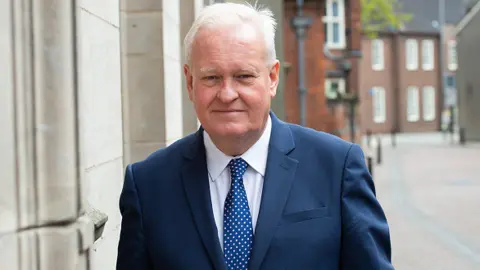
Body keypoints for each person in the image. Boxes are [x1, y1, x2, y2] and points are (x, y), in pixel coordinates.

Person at [116, 2, 394, 270]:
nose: (227, 94)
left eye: (244, 76)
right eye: (211, 78)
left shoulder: (337, 168)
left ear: (272, 78)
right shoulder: (148, 185)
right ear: (190, 83)